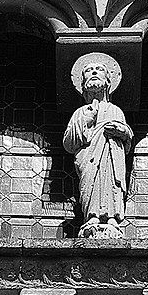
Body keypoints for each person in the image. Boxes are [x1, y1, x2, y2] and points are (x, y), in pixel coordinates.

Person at [63, 53, 133, 239]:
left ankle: (112, 219)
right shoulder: (80, 112)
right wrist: (85, 121)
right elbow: (69, 143)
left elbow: (127, 138)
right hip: (89, 159)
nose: (94, 72)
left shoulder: (115, 110)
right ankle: (91, 217)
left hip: (111, 158)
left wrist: (122, 131)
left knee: (113, 184)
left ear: (108, 80)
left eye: (99, 69)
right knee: (90, 185)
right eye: (88, 70)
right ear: (83, 82)